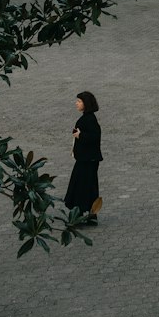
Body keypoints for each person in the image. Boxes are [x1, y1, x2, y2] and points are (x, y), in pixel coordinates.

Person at [64, 91, 102, 225]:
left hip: (87, 160)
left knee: (81, 186)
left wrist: (80, 135)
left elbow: (95, 136)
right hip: (87, 159)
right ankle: (91, 215)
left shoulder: (89, 119)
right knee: (88, 186)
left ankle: (79, 215)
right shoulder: (87, 118)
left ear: (86, 104)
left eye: (79, 101)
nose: (76, 103)